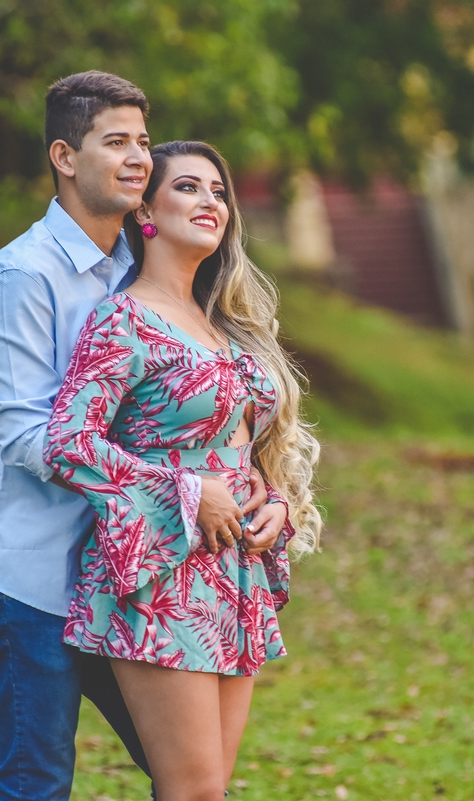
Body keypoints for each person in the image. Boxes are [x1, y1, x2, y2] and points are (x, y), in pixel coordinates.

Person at [0, 73, 291, 801]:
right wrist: (181, 487)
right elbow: (29, 437)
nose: (138, 156)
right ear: (65, 156)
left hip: (134, 564)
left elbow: (183, 421)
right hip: (30, 574)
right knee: (38, 782)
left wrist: (251, 490)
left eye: (143, 140)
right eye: (117, 142)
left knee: (193, 777)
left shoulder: (129, 274)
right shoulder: (22, 276)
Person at [44, 140, 322, 801]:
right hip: (157, 571)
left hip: (234, 572)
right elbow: (67, 442)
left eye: (219, 192)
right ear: (146, 210)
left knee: (208, 790)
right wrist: (186, 491)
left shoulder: (226, 326)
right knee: (193, 790)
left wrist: (274, 502)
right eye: (190, 188)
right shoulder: (124, 319)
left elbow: (240, 448)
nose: (211, 202)